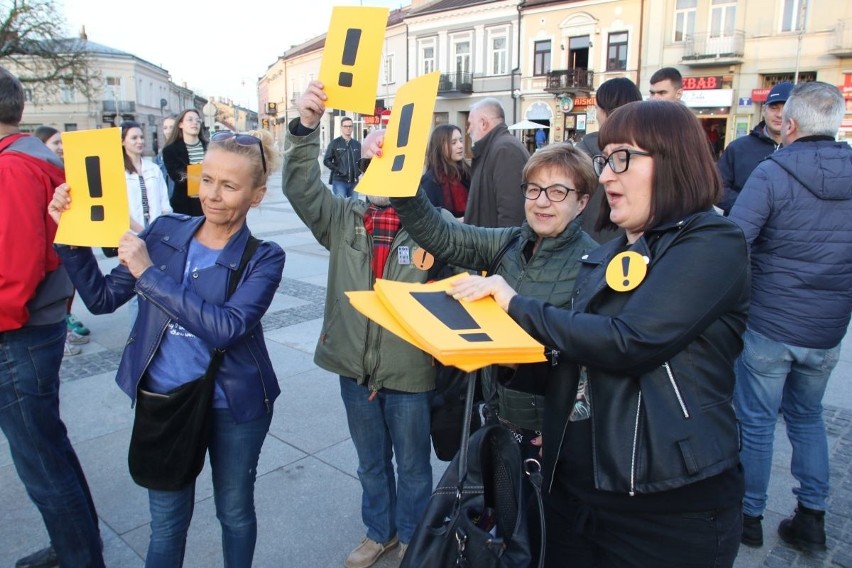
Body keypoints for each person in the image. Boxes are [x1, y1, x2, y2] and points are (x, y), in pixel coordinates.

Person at [450, 100, 749, 567]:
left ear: (674, 158)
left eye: (622, 158)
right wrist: (506, 361)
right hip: (575, 490)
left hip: (665, 504)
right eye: (605, 160)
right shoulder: (606, 255)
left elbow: (628, 342)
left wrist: (513, 302)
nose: (608, 175)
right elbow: (580, 361)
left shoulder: (713, 242)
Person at [49, 128, 284, 567]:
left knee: (233, 511)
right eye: (207, 179)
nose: (212, 195)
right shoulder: (166, 231)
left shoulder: (264, 256)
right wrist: (69, 232)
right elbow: (101, 299)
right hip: (165, 400)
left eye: (230, 185)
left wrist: (149, 274)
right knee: (167, 525)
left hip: (233, 404)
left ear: (257, 195)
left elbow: (227, 328)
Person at [284, 81, 438, 568]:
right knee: (371, 463)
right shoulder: (344, 218)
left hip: (409, 369)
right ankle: (381, 532)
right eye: (377, 159)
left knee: (413, 466)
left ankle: (414, 536)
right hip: (355, 367)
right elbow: (300, 187)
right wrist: (307, 127)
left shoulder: (434, 226)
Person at [728, 81, 852, 552]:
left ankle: (750, 516)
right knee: (807, 417)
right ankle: (813, 517)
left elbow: (736, 238)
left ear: (792, 125)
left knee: (757, 421)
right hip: (827, 327)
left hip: (771, 322)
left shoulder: (772, 170)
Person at [0, 65, 105, 568]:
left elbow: (16, 265)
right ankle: (75, 549)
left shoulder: (14, 167)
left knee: (42, 461)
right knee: (48, 451)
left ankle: (80, 558)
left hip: (17, 332)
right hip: (32, 325)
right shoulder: (25, 158)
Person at [33, 125, 91, 357]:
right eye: (56, 143)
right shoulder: (40, 172)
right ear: (42, 145)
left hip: (70, 237)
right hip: (53, 241)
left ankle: (67, 325)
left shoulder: (66, 170)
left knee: (70, 288)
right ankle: (62, 335)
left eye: (62, 143)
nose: (61, 148)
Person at [575, 77, 642, 244]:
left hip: (589, 246)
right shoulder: (648, 151)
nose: (605, 177)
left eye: (596, 107)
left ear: (604, 110)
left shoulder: (581, 153)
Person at [716, 82, 793, 215]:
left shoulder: (804, 150)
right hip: (742, 228)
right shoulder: (738, 148)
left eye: (786, 109)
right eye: (774, 108)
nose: (780, 114)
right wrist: (749, 206)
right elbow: (716, 187)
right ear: (764, 110)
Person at [465, 97, 530, 227]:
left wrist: (504, 247)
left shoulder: (505, 150)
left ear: (483, 123)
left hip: (497, 245)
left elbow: (512, 215)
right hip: (489, 242)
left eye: (470, 124)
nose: (468, 130)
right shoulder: (495, 148)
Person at [121, 121, 172, 234]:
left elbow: (164, 204)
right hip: (131, 236)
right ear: (123, 142)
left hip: (157, 233)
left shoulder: (153, 169)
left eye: (141, 137)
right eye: (134, 138)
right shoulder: (119, 172)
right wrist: (143, 233)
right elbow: (120, 212)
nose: (140, 141)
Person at [163, 108, 208, 216]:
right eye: (190, 120)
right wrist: (205, 172)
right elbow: (179, 177)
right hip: (185, 208)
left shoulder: (211, 147)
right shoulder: (170, 150)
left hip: (209, 204)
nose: (195, 123)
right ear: (180, 124)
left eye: (198, 120)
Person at [420, 123, 470, 218]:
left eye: (461, 140)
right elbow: (427, 219)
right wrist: (455, 222)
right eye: (453, 142)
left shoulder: (466, 174)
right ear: (440, 146)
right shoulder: (430, 180)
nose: (460, 146)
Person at [322, 116, 361, 198]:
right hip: (339, 181)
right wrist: (338, 170)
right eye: (345, 126)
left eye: (350, 126)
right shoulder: (335, 143)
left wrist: (359, 172)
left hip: (354, 182)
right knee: (340, 207)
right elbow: (326, 160)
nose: (348, 128)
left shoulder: (357, 144)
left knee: (354, 208)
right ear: (341, 128)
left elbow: (361, 161)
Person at [155, 115, 176, 199]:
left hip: (183, 203)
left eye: (171, 127)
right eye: (165, 128)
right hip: (166, 202)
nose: (168, 131)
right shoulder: (161, 155)